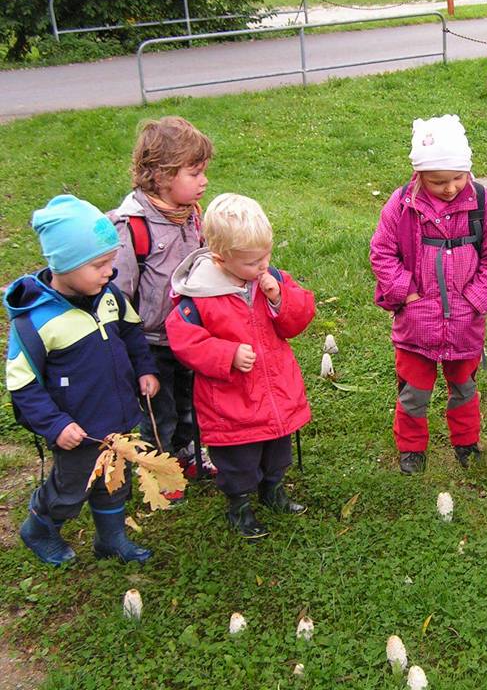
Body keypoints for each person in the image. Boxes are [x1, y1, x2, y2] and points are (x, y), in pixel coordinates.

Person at [7, 195, 159, 566]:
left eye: (111, 261)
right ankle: (40, 527)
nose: (111, 271)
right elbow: (22, 384)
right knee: (71, 488)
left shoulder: (110, 297)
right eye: (99, 265)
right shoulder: (36, 321)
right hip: (77, 429)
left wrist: (145, 369)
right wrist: (55, 425)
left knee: (115, 480)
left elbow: (131, 332)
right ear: (64, 265)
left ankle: (111, 540)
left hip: (118, 418)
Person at [165, 193, 314, 540]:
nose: (262, 266)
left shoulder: (270, 279)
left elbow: (299, 319)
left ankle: (273, 488)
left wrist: (280, 298)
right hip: (233, 401)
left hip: (276, 390)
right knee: (238, 460)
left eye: (266, 256)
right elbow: (184, 339)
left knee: (277, 450)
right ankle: (240, 504)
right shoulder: (200, 296)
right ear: (220, 258)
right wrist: (226, 354)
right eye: (252, 262)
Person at [370, 114, 487, 475]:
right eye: (438, 181)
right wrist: (405, 292)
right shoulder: (402, 205)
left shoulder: (481, 202)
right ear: (418, 175)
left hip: (465, 322)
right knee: (413, 393)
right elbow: (382, 252)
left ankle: (466, 443)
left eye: (458, 178)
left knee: (464, 388)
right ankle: (411, 449)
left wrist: (477, 298)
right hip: (416, 324)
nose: (450, 188)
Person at [107, 116, 215, 500]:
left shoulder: (192, 213)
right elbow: (118, 295)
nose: (204, 181)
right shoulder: (132, 226)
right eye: (195, 173)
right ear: (162, 175)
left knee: (192, 402)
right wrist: (128, 351)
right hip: (151, 341)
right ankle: (159, 469)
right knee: (159, 412)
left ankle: (188, 453)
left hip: (190, 333)